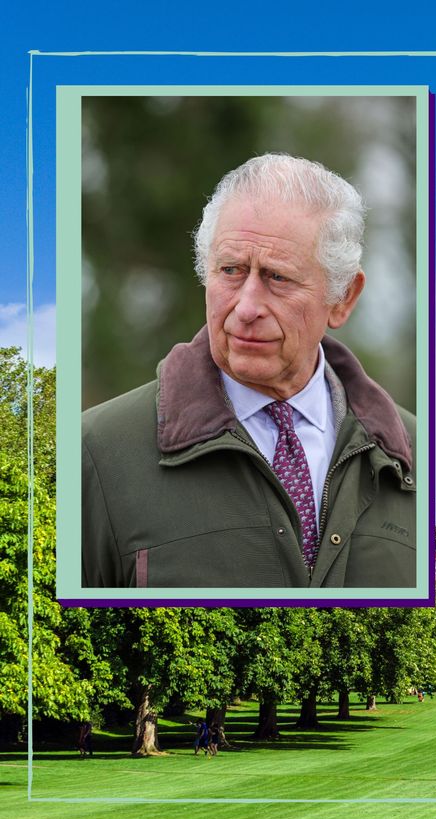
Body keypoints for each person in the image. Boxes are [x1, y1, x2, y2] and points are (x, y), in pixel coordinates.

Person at [82, 154, 416, 589]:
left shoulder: (418, 455)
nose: (247, 307)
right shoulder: (95, 450)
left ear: (343, 298)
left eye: (278, 277)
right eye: (231, 271)